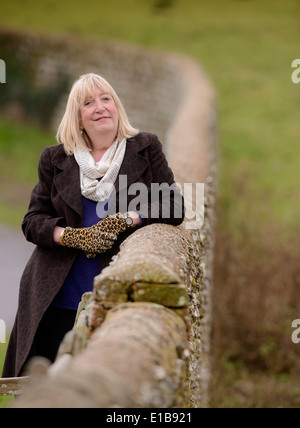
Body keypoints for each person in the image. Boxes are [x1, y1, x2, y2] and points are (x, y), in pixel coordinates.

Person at [2, 73, 185, 378]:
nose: (100, 107)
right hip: (54, 297)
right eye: (88, 103)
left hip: (107, 297)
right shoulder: (55, 158)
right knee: (45, 389)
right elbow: (32, 222)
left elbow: (174, 205)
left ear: (117, 106)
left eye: (106, 98)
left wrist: (126, 218)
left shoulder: (145, 147)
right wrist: (72, 236)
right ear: (78, 117)